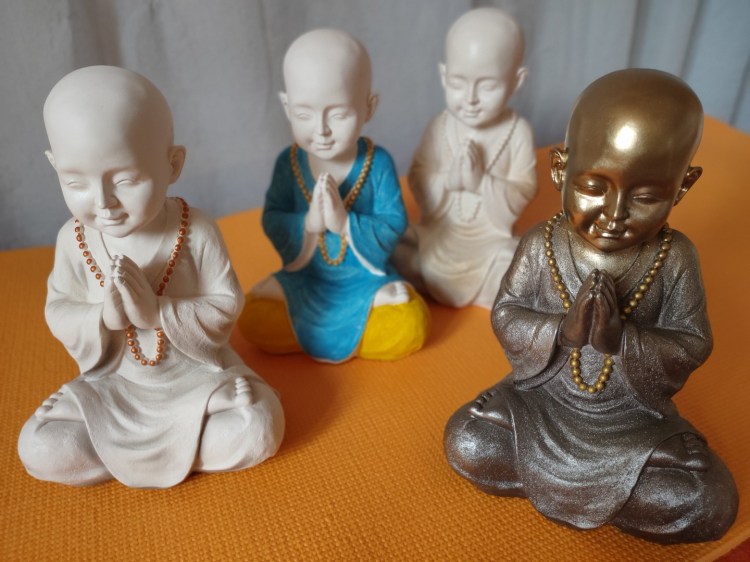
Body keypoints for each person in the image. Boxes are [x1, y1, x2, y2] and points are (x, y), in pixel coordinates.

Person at [443, 69, 738, 543]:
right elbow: (506, 313)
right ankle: (606, 488)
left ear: (683, 186)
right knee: (470, 439)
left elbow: (692, 342)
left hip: (632, 420)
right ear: (561, 169)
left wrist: (622, 339)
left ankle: (637, 467)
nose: (615, 215)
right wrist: (563, 331)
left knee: (708, 500)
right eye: (594, 188)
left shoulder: (674, 257)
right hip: (541, 401)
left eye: (647, 196)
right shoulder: (541, 243)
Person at [17, 66, 284, 488]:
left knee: (258, 424)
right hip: (115, 383)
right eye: (76, 182)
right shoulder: (74, 239)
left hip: (195, 377)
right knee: (41, 446)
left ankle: (137, 444)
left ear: (172, 164)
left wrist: (157, 312)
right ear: (54, 165)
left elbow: (226, 304)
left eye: (126, 180)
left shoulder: (195, 229)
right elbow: (59, 309)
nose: (104, 202)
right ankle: (153, 439)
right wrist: (103, 317)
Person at [238, 29, 429, 363]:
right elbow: (273, 217)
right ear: (286, 106)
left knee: (409, 325)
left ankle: (374, 302)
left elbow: (393, 221)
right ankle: (299, 308)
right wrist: (309, 223)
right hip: (306, 279)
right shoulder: (289, 163)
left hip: (365, 280)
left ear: (369, 107)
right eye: (304, 114)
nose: (322, 129)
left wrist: (344, 223)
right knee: (253, 320)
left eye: (338, 114)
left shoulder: (377, 162)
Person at [393, 8, 536, 309]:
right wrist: (449, 181)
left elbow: (524, 189)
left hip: (492, 243)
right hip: (438, 234)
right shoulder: (439, 127)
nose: (470, 98)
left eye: (488, 86)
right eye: (458, 83)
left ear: (516, 81)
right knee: (392, 243)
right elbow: (417, 176)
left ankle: (466, 287)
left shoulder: (517, 132)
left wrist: (480, 183)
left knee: (524, 262)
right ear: (444, 76)